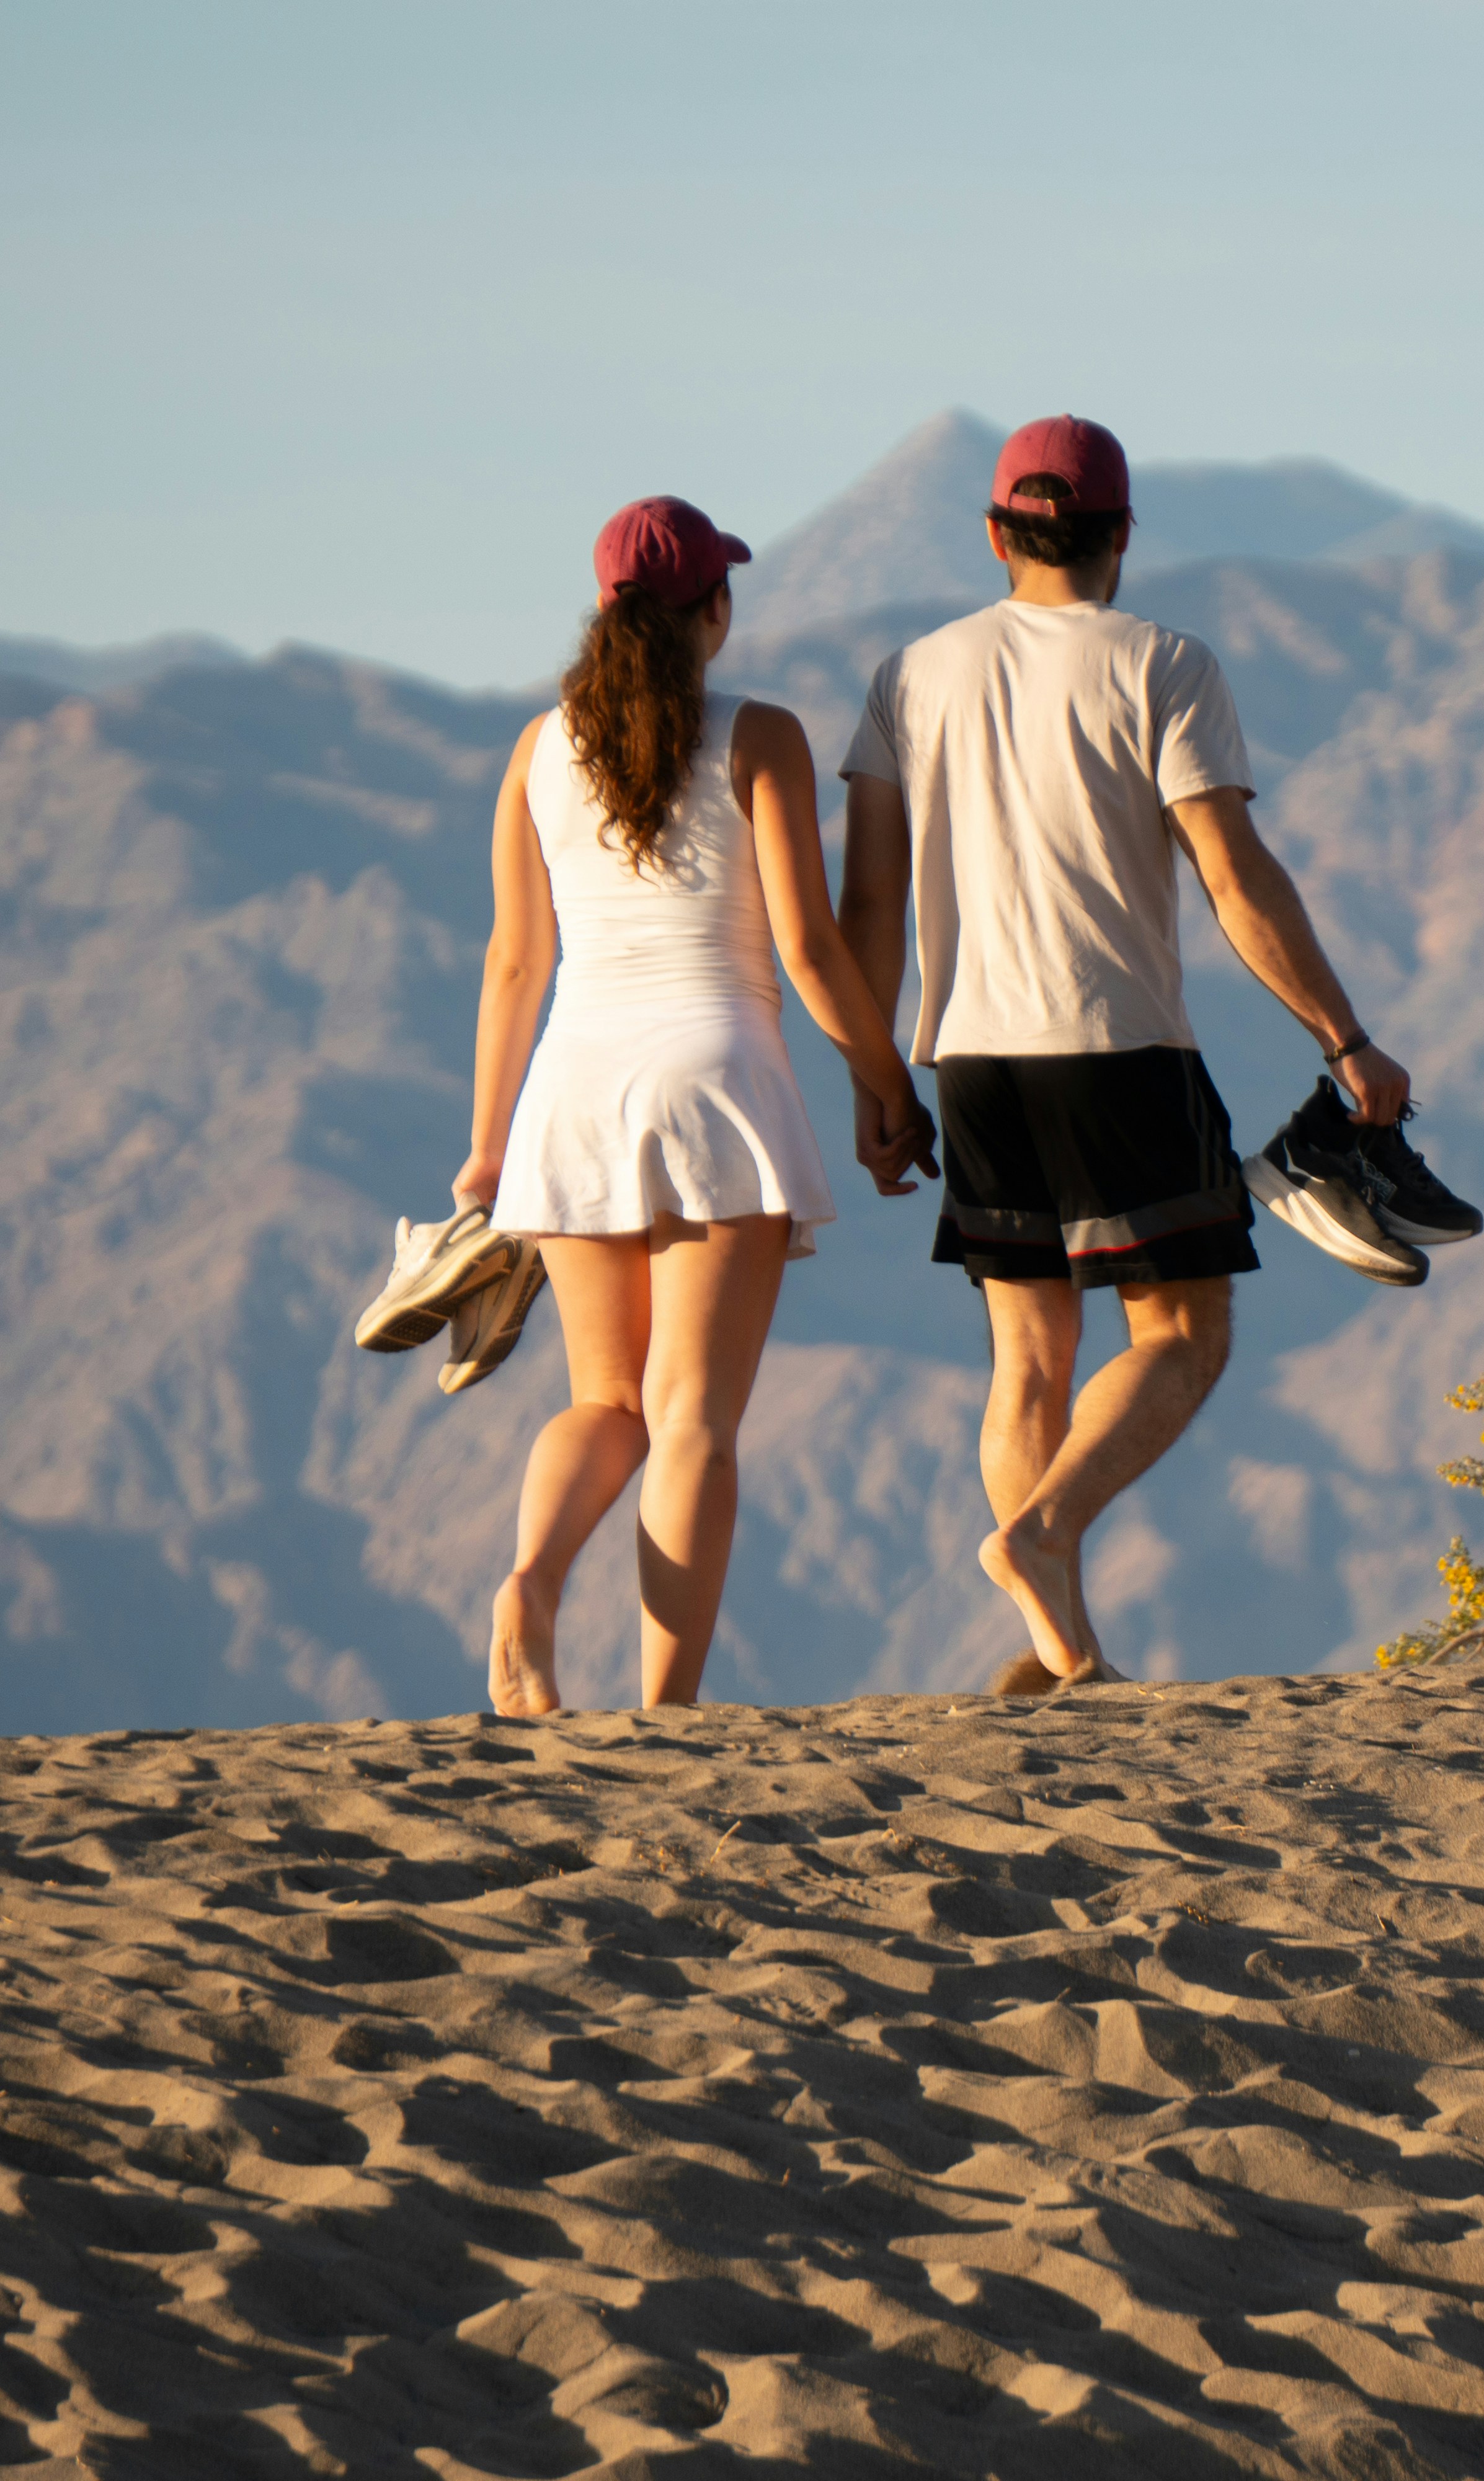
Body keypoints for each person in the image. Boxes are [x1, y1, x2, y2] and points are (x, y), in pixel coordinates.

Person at [835, 416, 1412, 1696]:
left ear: (997, 535)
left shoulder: (909, 676)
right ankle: (1039, 1537)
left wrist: (880, 1076)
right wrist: (1345, 1036)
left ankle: (1061, 1650)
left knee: (1027, 1356)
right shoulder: (1166, 664)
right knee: (1187, 1331)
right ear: (1122, 537)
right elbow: (1232, 873)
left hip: (970, 1057)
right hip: (1119, 1046)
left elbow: (868, 906)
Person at [449, 496, 938, 1716]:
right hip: (717, 1080)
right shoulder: (759, 735)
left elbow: (515, 963)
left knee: (601, 1401)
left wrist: (485, 1150)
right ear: (714, 608)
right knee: (694, 1420)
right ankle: (668, 1713)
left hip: (573, 1087)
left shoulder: (537, 752)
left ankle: (528, 1581)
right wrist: (889, 1086)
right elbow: (813, 950)